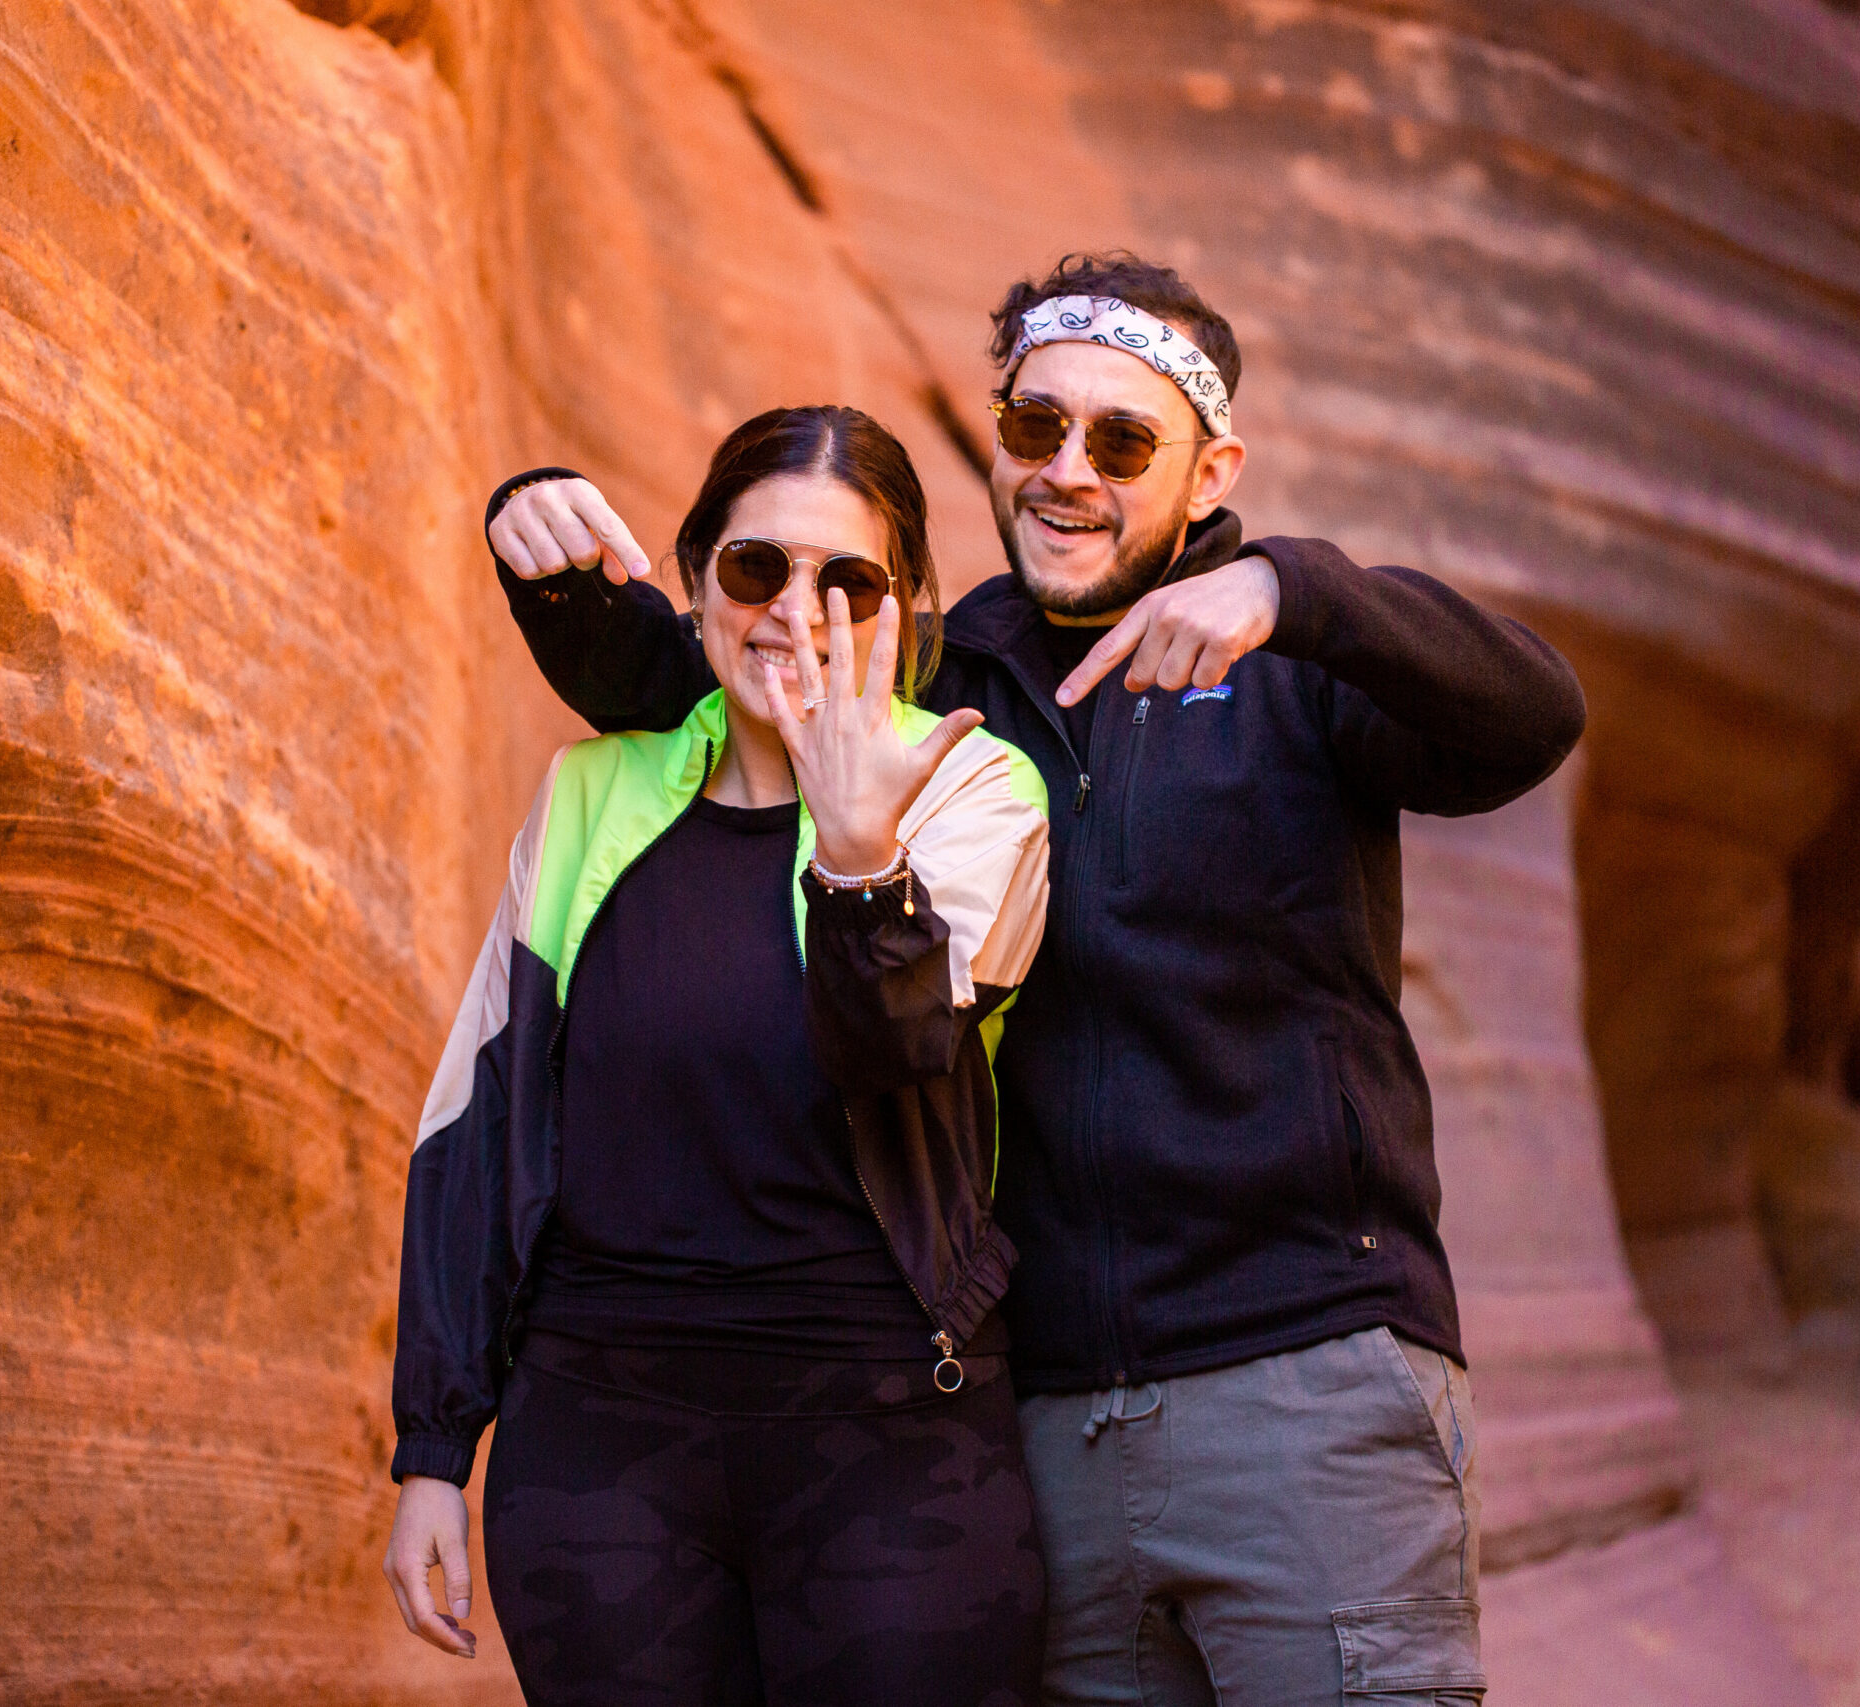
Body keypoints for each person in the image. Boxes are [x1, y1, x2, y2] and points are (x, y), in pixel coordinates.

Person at [487, 253, 1588, 1705]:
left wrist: (1299, 592)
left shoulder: (1298, 665)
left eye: (1123, 442)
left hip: (1304, 1384)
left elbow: (1532, 715)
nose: (1069, 471)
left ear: (1211, 473)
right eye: (1033, 427)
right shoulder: (943, 673)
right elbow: (709, 672)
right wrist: (541, 537)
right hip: (1049, 1421)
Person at [383, 405, 1055, 1706]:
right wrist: (431, 1447)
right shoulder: (593, 795)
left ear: (907, 608)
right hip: (601, 1457)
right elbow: (477, 1118)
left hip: (889, 1455)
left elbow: (900, 1046)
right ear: (693, 581)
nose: (797, 611)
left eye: (848, 581)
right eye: (757, 569)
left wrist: (863, 864)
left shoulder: (976, 794)